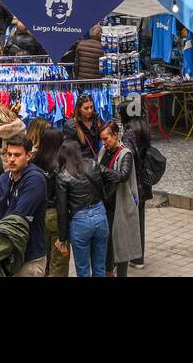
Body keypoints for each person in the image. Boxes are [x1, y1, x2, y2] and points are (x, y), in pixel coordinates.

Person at [0, 134, 49, 277]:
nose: (11, 159)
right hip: (5, 257)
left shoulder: (35, 179)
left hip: (29, 256)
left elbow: (16, 223)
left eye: (17, 155)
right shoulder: (2, 180)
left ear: (28, 156)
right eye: (9, 154)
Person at [55, 138, 110, 277]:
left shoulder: (63, 175)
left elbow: (62, 210)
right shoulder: (92, 164)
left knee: (83, 269)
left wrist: (62, 237)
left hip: (80, 221)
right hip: (100, 214)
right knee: (100, 267)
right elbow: (113, 177)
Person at [99, 121, 140, 277]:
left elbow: (123, 176)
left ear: (115, 135)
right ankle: (108, 272)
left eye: (106, 139)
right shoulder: (103, 151)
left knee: (122, 245)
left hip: (120, 205)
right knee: (107, 244)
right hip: (105, 204)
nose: (104, 142)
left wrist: (101, 169)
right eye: (102, 139)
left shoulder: (126, 153)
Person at [32, 125, 68, 276]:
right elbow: (62, 198)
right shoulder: (60, 165)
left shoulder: (34, 162)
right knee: (59, 260)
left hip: (38, 214)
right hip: (55, 215)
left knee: (42, 258)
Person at [122, 115, 154, 269]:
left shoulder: (128, 133)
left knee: (130, 223)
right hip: (144, 185)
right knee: (140, 221)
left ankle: (132, 256)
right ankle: (138, 259)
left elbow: (127, 157)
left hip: (134, 185)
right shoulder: (143, 128)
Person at [63, 93, 103, 162]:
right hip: (80, 163)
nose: (90, 111)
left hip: (96, 161)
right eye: (86, 108)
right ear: (79, 109)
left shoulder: (96, 119)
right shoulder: (71, 125)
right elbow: (68, 149)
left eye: (91, 107)